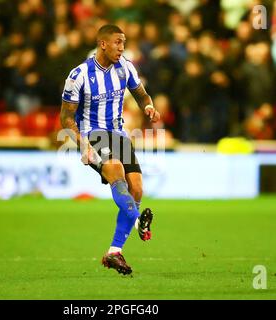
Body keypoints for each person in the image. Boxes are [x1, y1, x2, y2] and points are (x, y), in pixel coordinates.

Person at [60, 24, 160, 275]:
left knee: (136, 188)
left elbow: (141, 94)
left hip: (119, 135)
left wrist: (148, 107)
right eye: (118, 42)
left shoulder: (126, 66)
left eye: (124, 42)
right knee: (114, 169)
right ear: (103, 44)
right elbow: (66, 118)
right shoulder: (79, 75)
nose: (122, 48)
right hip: (92, 135)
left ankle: (115, 252)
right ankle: (139, 222)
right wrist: (81, 144)